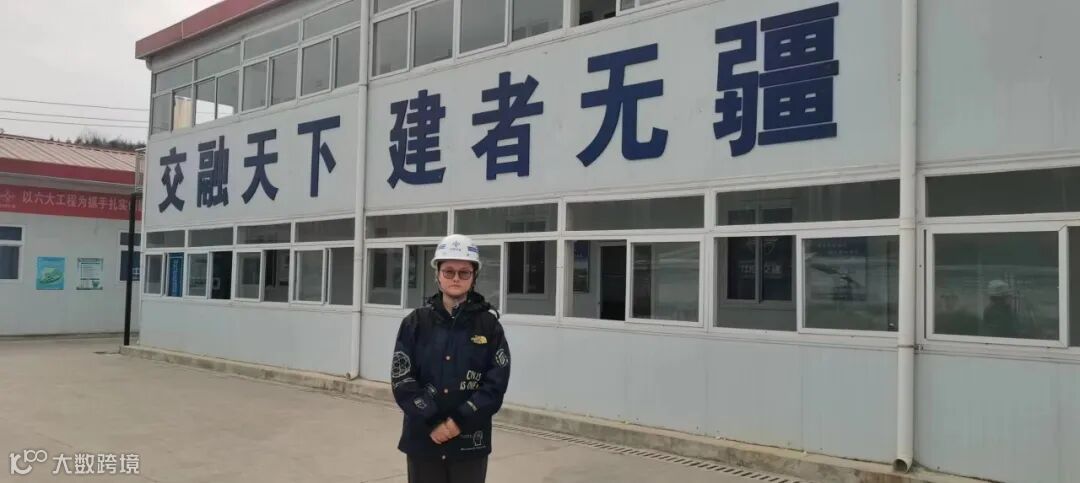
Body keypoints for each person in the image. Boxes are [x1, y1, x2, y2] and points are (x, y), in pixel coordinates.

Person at [390, 234, 511, 483]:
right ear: (437, 274)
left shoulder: (489, 327)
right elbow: (403, 379)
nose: (456, 278)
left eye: (464, 272)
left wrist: (460, 420)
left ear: (474, 276)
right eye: (449, 271)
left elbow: (495, 383)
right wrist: (432, 421)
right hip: (424, 440)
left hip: (469, 442)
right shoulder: (415, 323)